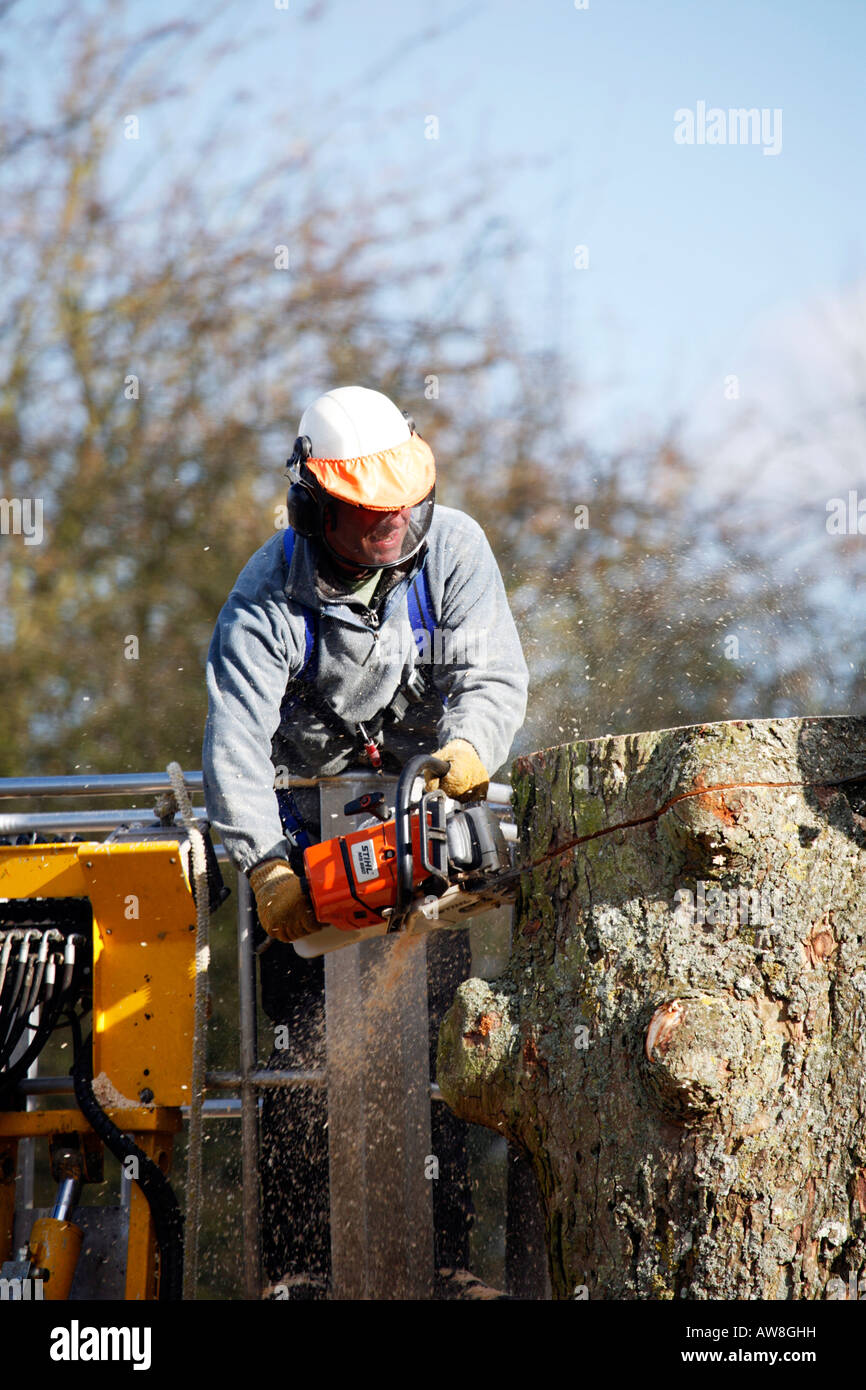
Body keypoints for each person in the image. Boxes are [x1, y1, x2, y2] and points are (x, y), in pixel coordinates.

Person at [202, 384, 528, 1293]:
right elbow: (233, 742)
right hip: (304, 832)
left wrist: (468, 750)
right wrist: (267, 869)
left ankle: (450, 1264)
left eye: (400, 509)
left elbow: (492, 674)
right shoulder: (268, 595)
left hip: (421, 821)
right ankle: (300, 1275)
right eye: (368, 515)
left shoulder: (452, 547)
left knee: (436, 1050)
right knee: (302, 1057)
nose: (392, 528)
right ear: (316, 506)